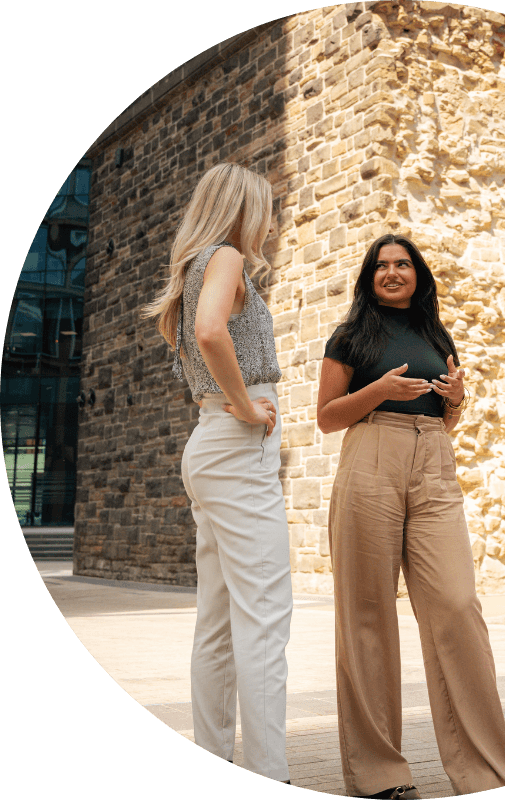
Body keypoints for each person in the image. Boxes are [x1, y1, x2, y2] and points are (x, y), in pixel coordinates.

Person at [317, 234, 505, 799]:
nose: (391, 272)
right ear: (369, 277)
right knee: (367, 613)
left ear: (418, 274)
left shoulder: (436, 333)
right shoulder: (351, 336)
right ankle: (379, 775)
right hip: (370, 455)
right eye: (381, 266)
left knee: (456, 604)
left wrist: (456, 397)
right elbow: (327, 418)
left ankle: (483, 772)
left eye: (402, 264)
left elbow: (447, 417)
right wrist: (378, 390)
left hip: (433, 456)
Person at [143, 162, 292, 782]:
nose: (271, 222)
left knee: (220, 619)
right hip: (234, 443)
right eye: (266, 208)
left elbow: (202, 330)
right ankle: (267, 771)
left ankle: (215, 760)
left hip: (211, 444)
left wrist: (231, 409)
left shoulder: (191, 268)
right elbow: (211, 333)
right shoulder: (225, 255)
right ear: (241, 208)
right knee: (264, 615)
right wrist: (244, 405)